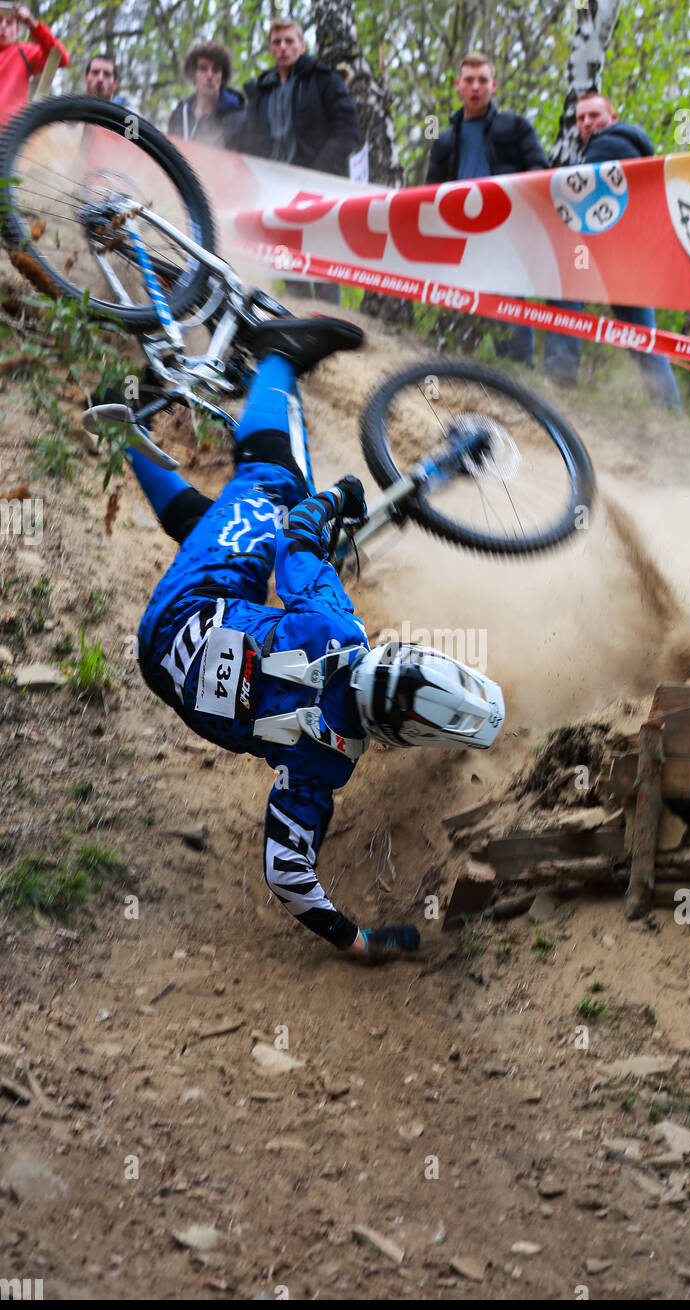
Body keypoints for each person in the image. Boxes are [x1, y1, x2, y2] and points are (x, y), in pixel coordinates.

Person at [129, 317, 505, 959]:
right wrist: (356, 940)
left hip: (191, 610)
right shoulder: (321, 763)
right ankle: (138, 425)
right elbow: (286, 872)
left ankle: (275, 357)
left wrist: (336, 498)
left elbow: (298, 539)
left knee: (275, 483)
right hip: (162, 667)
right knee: (215, 529)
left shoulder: (335, 628)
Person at [544, 92, 681, 411]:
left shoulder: (612, 143)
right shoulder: (620, 145)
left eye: (595, 115)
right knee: (643, 337)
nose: (588, 123)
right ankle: (669, 412)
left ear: (613, 118)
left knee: (565, 297)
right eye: (581, 118)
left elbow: (575, 196)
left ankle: (558, 387)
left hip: (609, 254)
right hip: (626, 255)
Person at [427, 52, 548, 367]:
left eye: (482, 80)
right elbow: (429, 191)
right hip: (459, 235)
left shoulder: (516, 126)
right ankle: (458, 367)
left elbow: (540, 170)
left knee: (510, 299)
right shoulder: (444, 138)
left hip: (505, 230)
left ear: (494, 85)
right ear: (457, 85)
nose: (476, 87)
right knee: (460, 303)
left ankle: (521, 373)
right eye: (469, 80)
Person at [229, 17, 360, 304]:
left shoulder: (326, 81)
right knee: (287, 261)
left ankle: (330, 323)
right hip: (274, 190)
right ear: (270, 49)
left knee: (323, 261)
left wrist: (316, 174)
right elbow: (248, 141)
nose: (283, 47)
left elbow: (347, 131)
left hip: (319, 186)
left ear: (302, 45)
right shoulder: (260, 91)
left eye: (289, 41)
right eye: (277, 42)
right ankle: (297, 323)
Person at [0, 3, 68, 126]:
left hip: (10, 137)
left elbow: (60, 58)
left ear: (17, 31)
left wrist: (33, 25)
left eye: (9, 23)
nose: (3, 26)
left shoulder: (23, 52)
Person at [167, 42, 243, 147]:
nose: (209, 75)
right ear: (193, 75)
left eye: (215, 70)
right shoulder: (179, 115)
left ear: (223, 77)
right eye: (203, 68)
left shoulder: (238, 116)